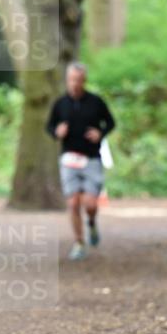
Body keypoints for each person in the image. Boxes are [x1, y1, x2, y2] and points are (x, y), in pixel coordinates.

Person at [45, 62, 115, 261]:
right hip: (68, 159)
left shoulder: (95, 102)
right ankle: (79, 242)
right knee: (73, 202)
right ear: (67, 80)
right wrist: (56, 132)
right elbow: (49, 127)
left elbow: (110, 122)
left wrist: (100, 133)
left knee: (90, 204)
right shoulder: (60, 104)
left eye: (78, 80)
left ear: (84, 81)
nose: (75, 84)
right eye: (71, 80)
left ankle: (91, 223)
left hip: (91, 159)